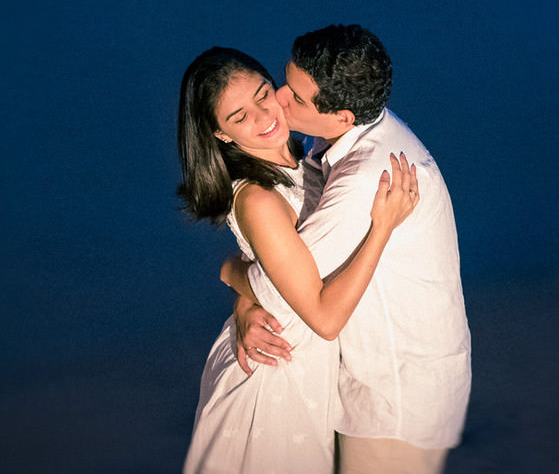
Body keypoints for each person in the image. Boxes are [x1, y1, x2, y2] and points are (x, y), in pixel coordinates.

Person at [227, 24, 471, 474]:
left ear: (342, 116)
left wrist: (229, 273)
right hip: (393, 383)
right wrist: (246, 304)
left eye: (296, 99)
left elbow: (284, 287)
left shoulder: (365, 180)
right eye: (286, 82)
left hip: (393, 400)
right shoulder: (354, 128)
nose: (280, 99)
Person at [177, 47, 420, 474]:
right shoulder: (256, 197)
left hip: (303, 361)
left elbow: (274, 265)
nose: (264, 115)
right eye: (239, 117)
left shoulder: (310, 160)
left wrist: (241, 289)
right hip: (278, 367)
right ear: (220, 135)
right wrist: (383, 227)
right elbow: (324, 319)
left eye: (263, 94)